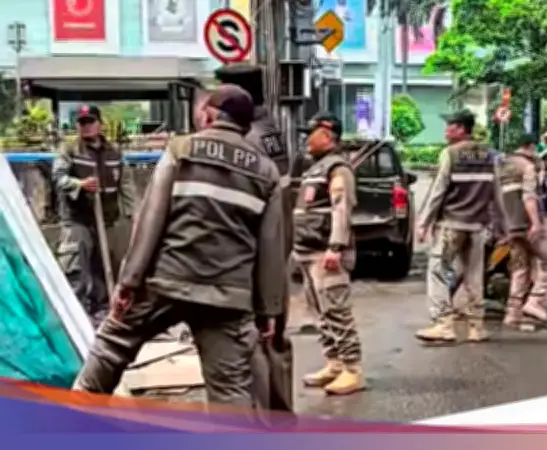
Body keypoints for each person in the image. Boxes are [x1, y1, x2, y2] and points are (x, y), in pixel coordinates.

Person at [73, 85, 286, 409]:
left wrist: (128, 283)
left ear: (209, 115)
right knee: (230, 390)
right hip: (227, 295)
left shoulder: (181, 149)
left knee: (112, 346)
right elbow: (271, 246)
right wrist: (267, 308)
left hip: (166, 280)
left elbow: (150, 220)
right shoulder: (266, 171)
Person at [214, 63, 295, 413]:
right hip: (277, 252)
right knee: (274, 339)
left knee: (252, 342)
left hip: (253, 258)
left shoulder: (246, 142)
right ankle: (280, 416)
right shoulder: (272, 131)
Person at [415, 109, 509, 343]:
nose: (446, 131)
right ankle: (477, 327)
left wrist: (423, 222)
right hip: (478, 226)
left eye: (450, 126)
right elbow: (497, 192)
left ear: (461, 129)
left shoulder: (450, 154)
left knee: (438, 271)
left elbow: (438, 191)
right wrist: (503, 226)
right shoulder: (489, 155)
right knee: (474, 276)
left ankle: (443, 324)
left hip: (451, 224)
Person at [294, 112, 365, 396]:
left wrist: (336, 246)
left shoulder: (338, 168)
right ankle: (334, 363)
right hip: (308, 250)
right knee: (320, 313)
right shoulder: (315, 168)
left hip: (326, 252)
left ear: (326, 136)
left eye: (310, 134)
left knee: (337, 311)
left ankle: (352, 369)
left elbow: (341, 208)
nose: (306, 140)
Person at [52, 105, 138, 326]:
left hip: (107, 221)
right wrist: (80, 184)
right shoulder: (69, 150)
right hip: (77, 220)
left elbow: (126, 184)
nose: (86, 126)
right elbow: (59, 178)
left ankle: (103, 312)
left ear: (100, 124)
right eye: (82, 123)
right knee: (77, 270)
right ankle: (75, 318)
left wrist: (133, 215)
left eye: (90, 122)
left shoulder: (115, 152)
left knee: (107, 266)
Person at [499, 136, 547, 328]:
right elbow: (529, 197)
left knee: (520, 268)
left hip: (509, 226)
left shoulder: (502, 167)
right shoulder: (527, 167)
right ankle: (535, 300)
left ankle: (512, 313)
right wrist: (535, 223)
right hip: (526, 224)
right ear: (530, 147)